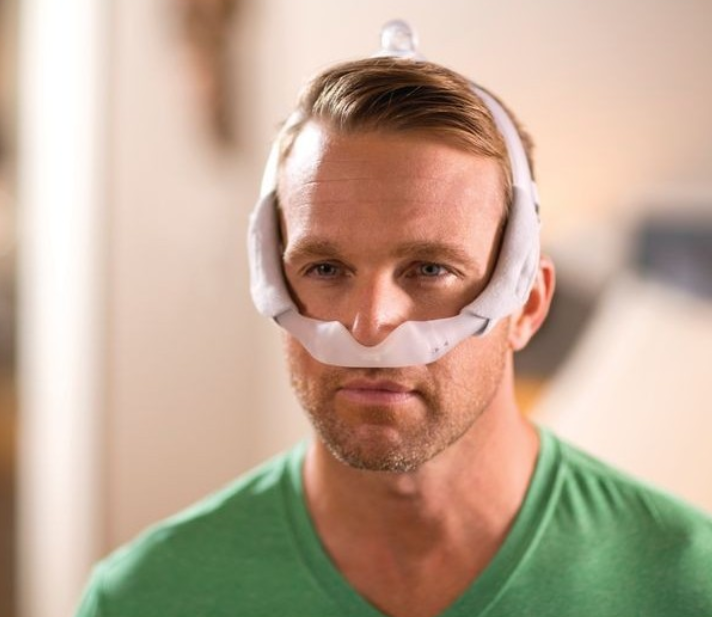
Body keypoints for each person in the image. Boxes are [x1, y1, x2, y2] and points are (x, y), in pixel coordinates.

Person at [75, 22, 712, 617]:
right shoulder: (147, 596)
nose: (370, 326)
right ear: (272, 281)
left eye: (429, 269)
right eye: (326, 268)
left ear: (528, 305)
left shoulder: (689, 585)